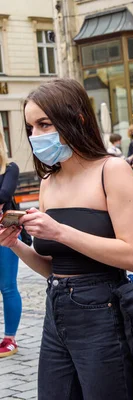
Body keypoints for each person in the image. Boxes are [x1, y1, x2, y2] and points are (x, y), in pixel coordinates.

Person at [0, 78, 133, 399]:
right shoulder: (50, 180)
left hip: (103, 309)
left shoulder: (113, 169)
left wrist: (60, 231)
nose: (36, 135)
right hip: (57, 307)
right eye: (30, 128)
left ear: (76, 119)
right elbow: (54, 268)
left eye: (44, 124)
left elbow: (132, 254)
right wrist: (16, 244)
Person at [0, 135, 21, 358]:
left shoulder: (9, 167)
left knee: (7, 286)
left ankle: (10, 338)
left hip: (6, 228)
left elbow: (4, 195)